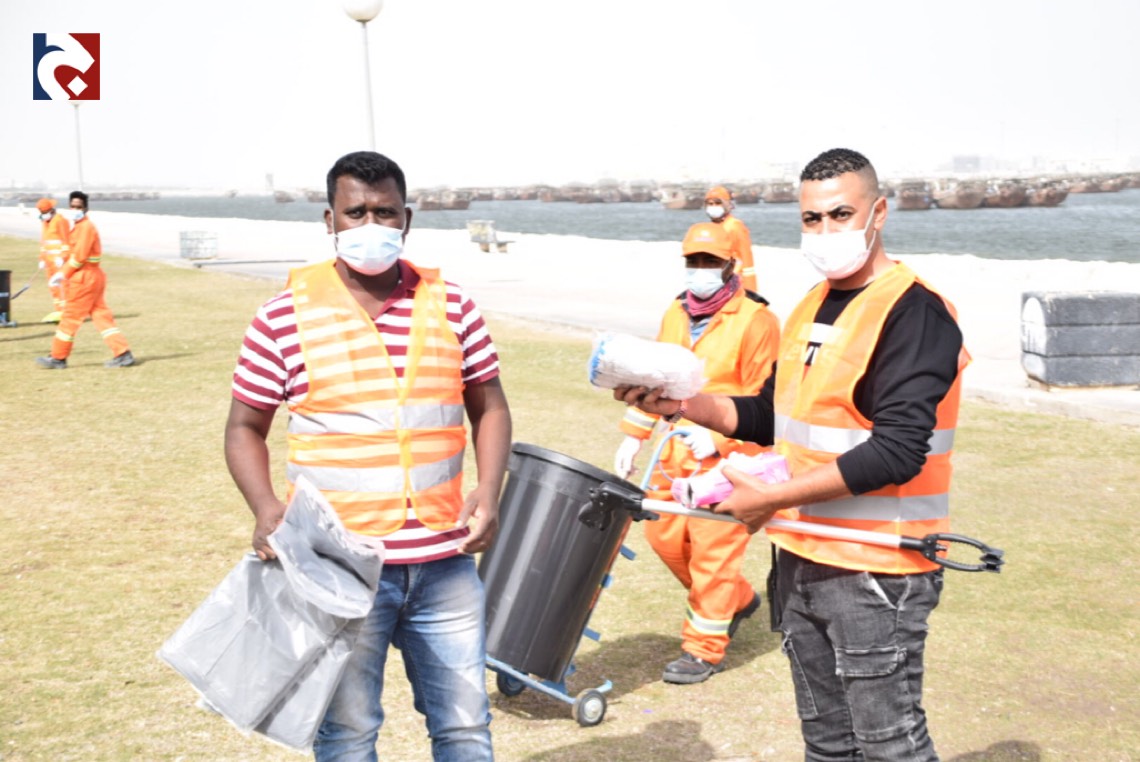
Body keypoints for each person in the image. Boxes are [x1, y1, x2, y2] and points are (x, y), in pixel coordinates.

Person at [615, 148, 967, 760]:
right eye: (812, 218)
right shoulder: (808, 305)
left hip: (878, 568)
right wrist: (683, 404)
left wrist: (770, 499)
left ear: (878, 212)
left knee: (890, 746)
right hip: (801, 557)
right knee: (827, 743)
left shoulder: (915, 311)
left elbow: (898, 452)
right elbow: (767, 414)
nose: (825, 231)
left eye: (841, 214)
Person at [224, 150, 512, 761]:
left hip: (445, 561)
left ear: (407, 218)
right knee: (349, 733)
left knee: (465, 727)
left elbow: (489, 406)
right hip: (340, 566)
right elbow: (245, 427)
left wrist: (488, 492)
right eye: (356, 213)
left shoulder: (452, 304)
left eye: (386, 212)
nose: (371, 225)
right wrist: (266, 508)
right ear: (330, 220)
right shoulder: (282, 316)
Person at [614, 221, 779, 684]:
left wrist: (722, 440)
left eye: (710, 261)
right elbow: (654, 380)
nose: (700, 268)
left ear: (731, 265)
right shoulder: (676, 312)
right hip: (674, 453)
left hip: (728, 462)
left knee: (712, 555)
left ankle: (702, 650)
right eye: (694, 260)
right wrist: (634, 435)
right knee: (663, 538)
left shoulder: (757, 320)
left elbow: (767, 401)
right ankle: (737, 600)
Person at [36, 191, 135, 369]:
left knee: (70, 318)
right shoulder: (77, 226)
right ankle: (123, 353)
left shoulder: (85, 227)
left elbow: (80, 256)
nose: (75, 210)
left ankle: (58, 357)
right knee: (101, 316)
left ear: (86, 208)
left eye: (78, 207)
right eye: (72, 206)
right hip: (90, 277)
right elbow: (71, 251)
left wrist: (63, 273)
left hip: (84, 277)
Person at [704, 185, 757, 292]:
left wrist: (751, 291)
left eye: (718, 203)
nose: (713, 206)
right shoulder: (711, 228)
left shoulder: (735, 226)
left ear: (726, 205)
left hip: (734, 285)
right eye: (710, 204)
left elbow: (747, 261)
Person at [35, 197, 69, 322]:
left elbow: (67, 241)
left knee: (63, 286)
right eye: (41, 213)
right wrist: (42, 259)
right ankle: (59, 311)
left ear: (51, 210)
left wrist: (63, 257)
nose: (43, 215)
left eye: (44, 212)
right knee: (53, 287)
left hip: (60, 262)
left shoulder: (61, 221)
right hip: (49, 262)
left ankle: (67, 312)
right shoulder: (45, 222)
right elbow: (44, 243)